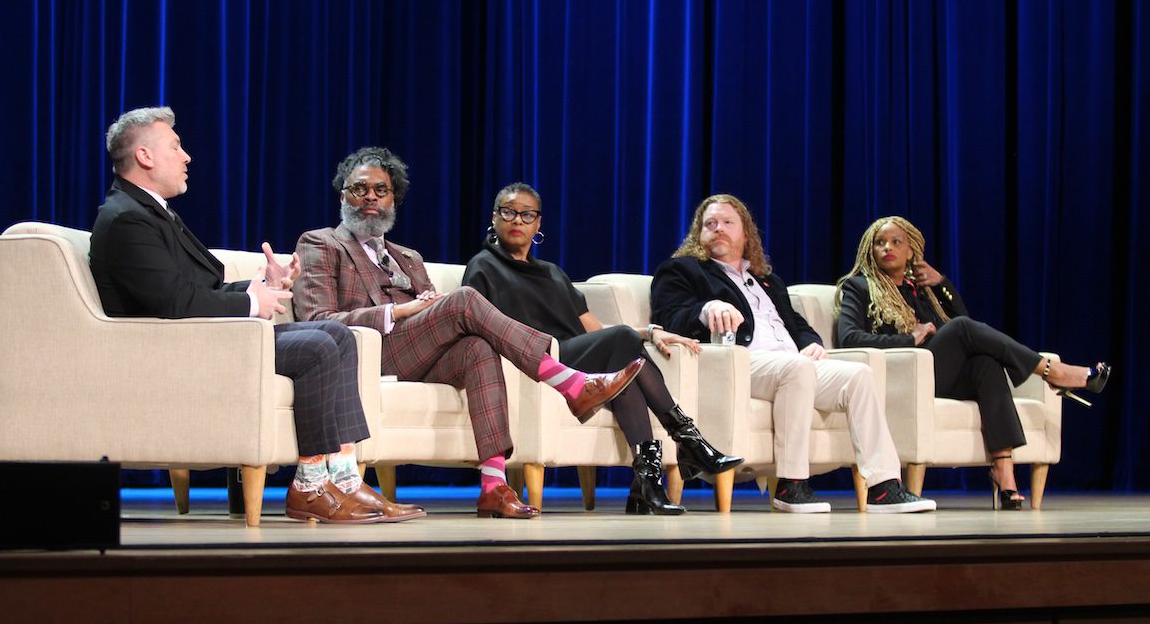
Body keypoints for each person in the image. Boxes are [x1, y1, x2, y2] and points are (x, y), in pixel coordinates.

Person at [90, 106, 423, 524]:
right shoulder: (126, 219)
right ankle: (310, 486)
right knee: (319, 345)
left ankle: (343, 477)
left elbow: (192, 292)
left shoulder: (149, 212)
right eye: (175, 146)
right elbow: (173, 304)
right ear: (145, 156)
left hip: (204, 336)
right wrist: (252, 304)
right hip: (173, 350)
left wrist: (261, 288)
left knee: (337, 335)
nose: (187, 156)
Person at [291, 148, 644, 519]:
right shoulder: (321, 243)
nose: (370, 198)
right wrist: (397, 311)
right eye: (359, 188)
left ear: (394, 198)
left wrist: (426, 307)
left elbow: (433, 312)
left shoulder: (407, 257)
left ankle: (494, 486)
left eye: (381, 190)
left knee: (478, 347)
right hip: (365, 353)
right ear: (342, 194)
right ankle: (571, 384)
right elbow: (318, 318)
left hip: (416, 352)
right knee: (463, 301)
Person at [461, 183, 742, 515]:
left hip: (576, 355)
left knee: (625, 378)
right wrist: (633, 336)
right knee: (624, 346)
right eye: (508, 212)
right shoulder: (482, 267)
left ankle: (647, 482)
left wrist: (651, 333)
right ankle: (687, 440)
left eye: (527, 214)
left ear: (538, 224)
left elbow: (596, 329)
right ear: (494, 218)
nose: (517, 220)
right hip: (538, 358)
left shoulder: (552, 273)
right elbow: (481, 326)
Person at [650, 194, 936, 514]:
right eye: (710, 224)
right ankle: (791, 485)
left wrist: (812, 342)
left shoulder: (767, 280)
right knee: (795, 369)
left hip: (790, 363)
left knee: (858, 375)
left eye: (728, 223)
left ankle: (884, 488)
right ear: (698, 234)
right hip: (738, 363)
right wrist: (705, 309)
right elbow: (669, 318)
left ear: (746, 234)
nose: (718, 229)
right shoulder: (682, 270)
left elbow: (797, 324)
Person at [835, 216, 1111, 509]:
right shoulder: (859, 287)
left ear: (911, 251)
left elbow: (963, 322)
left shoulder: (921, 290)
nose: (886, 248)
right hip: (902, 377)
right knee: (963, 329)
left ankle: (1004, 474)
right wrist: (909, 340)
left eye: (896, 242)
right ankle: (1051, 371)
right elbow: (849, 339)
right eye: (880, 243)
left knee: (985, 364)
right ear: (870, 250)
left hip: (937, 374)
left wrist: (943, 284)